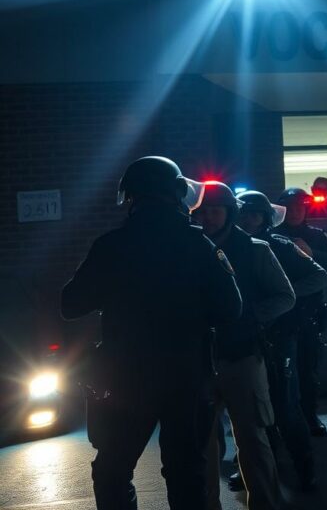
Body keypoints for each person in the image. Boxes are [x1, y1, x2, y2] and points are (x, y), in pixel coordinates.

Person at [61, 156, 242, 510]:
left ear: (131, 198)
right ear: (176, 193)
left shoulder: (111, 245)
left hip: (126, 378)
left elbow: (70, 305)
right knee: (186, 472)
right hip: (188, 376)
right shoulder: (199, 246)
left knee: (112, 470)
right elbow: (231, 309)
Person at [192, 182, 295, 510]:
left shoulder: (254, 249)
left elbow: (285, 295)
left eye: (215, 210)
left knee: (252, 439)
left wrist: (250, 317)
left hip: (244, 357)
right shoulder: (189, 249)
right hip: (199, 360)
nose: (209, 217)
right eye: (203, 211)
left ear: (229, 213)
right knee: (203, 446)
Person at [237, 190, 327, 491]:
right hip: (245, 336)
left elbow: (319, 277)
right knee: (249, 409)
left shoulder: (280, 244)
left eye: (255, 213)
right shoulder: (228, 247)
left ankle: (306, 467)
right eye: (244, 213)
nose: (249, 219)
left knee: (286, 406)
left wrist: (284, 296)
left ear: (265, 217)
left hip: (281, 333)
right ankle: (256, 466)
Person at [274, 187, 327, 436]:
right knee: (280, 373)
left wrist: (313, 253)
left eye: (299, 208)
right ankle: (281, 422)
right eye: (290, 208)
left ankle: (310, 416)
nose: (294, 213)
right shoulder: (272, 235)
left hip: (309, 311)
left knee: (308, 368)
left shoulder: (315, 235)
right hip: (278, 314)